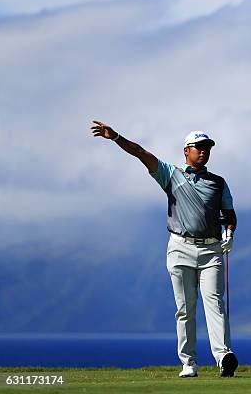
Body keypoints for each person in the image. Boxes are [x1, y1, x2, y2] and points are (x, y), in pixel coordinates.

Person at [90, 120, 238, 378]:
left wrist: (229, 233)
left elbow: (230, 214)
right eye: (199, 147)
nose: (204, 151)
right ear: (186, 151)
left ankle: (223, 356)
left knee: (215, 304)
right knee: (185, 308)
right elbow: (140, 153)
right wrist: (116, 137)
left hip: (212, 250)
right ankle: (189, 363)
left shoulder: (218, 182)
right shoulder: (170, 174)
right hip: (180, 248)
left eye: (207, 148)